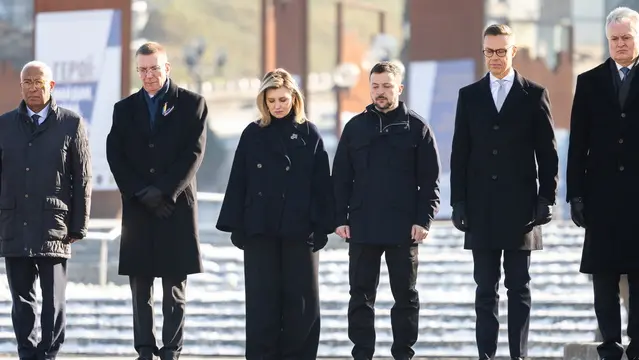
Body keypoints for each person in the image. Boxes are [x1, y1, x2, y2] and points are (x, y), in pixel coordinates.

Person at [450, 24, 559, 360]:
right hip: (481, 209)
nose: (494, 58)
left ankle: (518, 355)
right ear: (483, 51)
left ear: (513, 52)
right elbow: (460, 153)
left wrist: (546, 198)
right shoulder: (469, 96)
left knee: (519, 287)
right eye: (489, 51)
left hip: (521, 209)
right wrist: (459, 202)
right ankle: (487, 355)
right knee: (485, 289)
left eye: (501, 51)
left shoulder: (534, 93)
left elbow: (548, 153)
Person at [216, 68, 334, 360]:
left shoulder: (310, 133)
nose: (277, 106)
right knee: (261, 305)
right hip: (260, 231)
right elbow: (239, 180)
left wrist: (322, 227)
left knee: (303, 306)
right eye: (271, 101)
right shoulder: (253, 134)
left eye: (282, 99)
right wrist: (237, 226)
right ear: (263, 102)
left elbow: (322, 184)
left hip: (300, 230)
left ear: (294, 98)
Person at [332, 61, 440, 360]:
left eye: (387, 86)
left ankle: (403, 354)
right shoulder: (355, 127)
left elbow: (430, 182)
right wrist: (339, 218)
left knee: (405, 297)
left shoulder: (417, 128)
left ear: (399, 88)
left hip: (403, 228)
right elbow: (340, 177)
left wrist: (423, 220)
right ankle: (362, 354)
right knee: (360, 297)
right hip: (363, 225)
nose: (380, 92)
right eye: (376, 86)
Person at [106, 41, 207, 360]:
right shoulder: (124, 109)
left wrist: (164, 191)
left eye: (154, 69)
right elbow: (115, 154)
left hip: (174, 207)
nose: (148, 75)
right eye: (142, 70)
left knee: (174, 287)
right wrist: (139, 191)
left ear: (167, 68)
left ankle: (171, 349)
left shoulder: (192, 104)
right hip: (139, 209)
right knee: (140, 287)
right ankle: (145, 350)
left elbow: (193, 153)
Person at [0, 60, 92, 360]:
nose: (32, 88)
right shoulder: (4, 125)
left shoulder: (71, 124)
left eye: (38, 82)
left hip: (55, 226)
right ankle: (27, 353)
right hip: (14, 224)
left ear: (51, 86)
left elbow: (82, 178)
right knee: (21, 301)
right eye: (27, 82)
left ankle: (48, 354)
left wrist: (79, 224)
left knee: (54, 301)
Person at [566, 7, 639, 360]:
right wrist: (575, 195)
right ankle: (609, 342)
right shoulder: (590, 81)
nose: (621, 44)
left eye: (627, 37)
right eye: (614, 39)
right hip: (602, 196)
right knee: (604, 275)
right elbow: (578, 143)